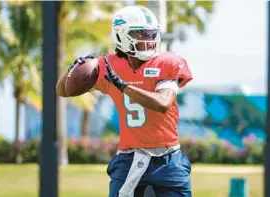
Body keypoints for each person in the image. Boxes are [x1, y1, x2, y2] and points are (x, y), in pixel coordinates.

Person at [56, 5, 193, 197]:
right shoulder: (108, 65)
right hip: (130, 157)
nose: (149, 40)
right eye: (141, 34)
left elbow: (163, 103)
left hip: (168, 158)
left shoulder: (166, 62)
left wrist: (123, 86)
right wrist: (75, 69)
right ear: (121, 35)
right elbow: (63, 90)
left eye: (151, 34)